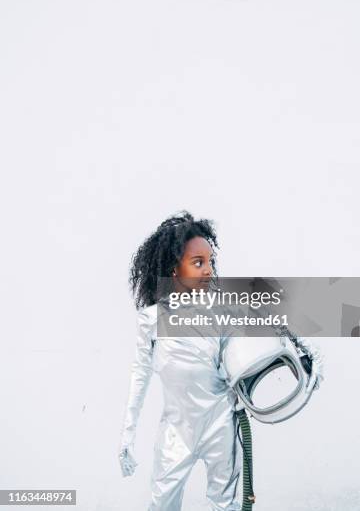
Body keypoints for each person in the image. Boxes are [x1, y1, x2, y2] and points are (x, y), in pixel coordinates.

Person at [118, 211, 241, 511]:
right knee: (163, 503)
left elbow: (242, 366)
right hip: (177, 431)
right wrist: (127, 434)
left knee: (226, 505)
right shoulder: (152, 320)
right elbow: (140, 374)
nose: (208, 270)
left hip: (220, 424)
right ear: (174, 269)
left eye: (209, 262)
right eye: (198, 263)